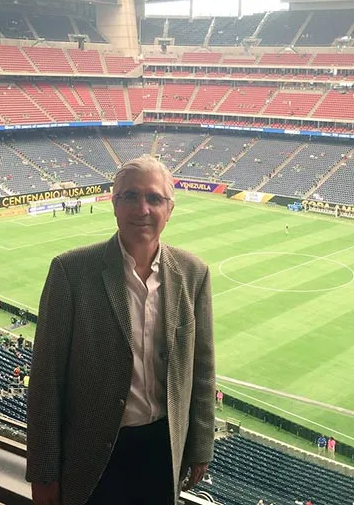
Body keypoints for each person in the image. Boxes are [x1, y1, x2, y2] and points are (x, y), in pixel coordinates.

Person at [27, 155, 215, 505]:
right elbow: (45, 381)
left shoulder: (194, 273)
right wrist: (42, 473)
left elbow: (202, 369)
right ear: (114, 205)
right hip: (93, 455)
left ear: (170, 209)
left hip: (163, 449)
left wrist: (201, 444)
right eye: (129, 196)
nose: (141, 208)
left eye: (154, 198)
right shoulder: (70, 272)